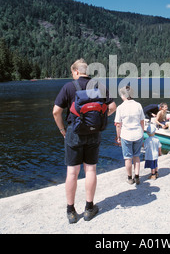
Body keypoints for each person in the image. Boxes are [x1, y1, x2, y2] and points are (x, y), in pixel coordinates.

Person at [53, 59, 116, 224]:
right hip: (94, 133)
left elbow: (56, 112)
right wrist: (100, 119)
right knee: (90, 170)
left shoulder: (68, 87)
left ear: (75, 71)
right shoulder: (98, 86)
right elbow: (113, 106)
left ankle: (71, 211)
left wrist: (62, 131)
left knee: (72, 173)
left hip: (74, 133)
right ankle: (89, 208)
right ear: (87, 71)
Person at [115, 86, 145, 185]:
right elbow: (142, 121)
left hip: (126, 135)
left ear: (123, 95)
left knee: (128, 158)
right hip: (138, 134)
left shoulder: (120, 107)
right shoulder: (138, 105)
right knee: (136, 156)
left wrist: (118, 137)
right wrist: (143, 133)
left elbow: (118, 125)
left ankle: (129, 178)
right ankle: (137, 176)